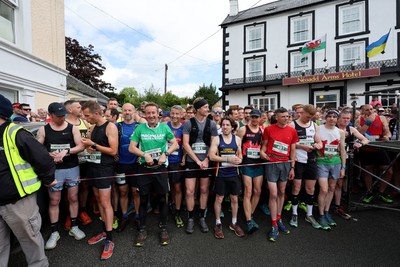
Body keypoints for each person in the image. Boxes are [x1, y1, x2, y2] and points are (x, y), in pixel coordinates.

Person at [0, 94, 57, 267]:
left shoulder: (16, 133)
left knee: (30, 240)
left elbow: (43, 159)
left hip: (18, 201)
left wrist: (48, 180)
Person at [36, 102, 86, 250]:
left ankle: (74, 226)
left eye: (63, 115)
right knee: (54, 200)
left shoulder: (73, 128)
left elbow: (81, 146)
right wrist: (48, 155)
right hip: (54, 170)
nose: (62, 118)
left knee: (73, 197)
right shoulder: (43, 129)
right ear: (50, 115)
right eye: (58, 116)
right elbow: (37, 150)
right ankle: (54, 232)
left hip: (72, 167)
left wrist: (67, 151)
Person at [129, 102, 178, 246]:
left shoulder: (164, 127)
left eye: (153, 113)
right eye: (148, 113)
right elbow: (132, 148)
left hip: (160, 169)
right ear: (144, 114)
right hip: (144, 169)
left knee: (163, 199)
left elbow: (175, 143)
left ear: (158, 114)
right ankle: (142, 229)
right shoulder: (140, 128)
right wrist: (144, 154)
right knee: (143, 200)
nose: (151, 116)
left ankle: (163, 228)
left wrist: (166, 154)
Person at [81, 101, 118, 261]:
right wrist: (89, 148)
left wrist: (93, 144)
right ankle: (104, 231)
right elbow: (91, 147)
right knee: (98, 199)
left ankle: (110, 239)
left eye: (87, 115)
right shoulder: (92, 128)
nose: (85, 118)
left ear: (97, 113)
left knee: (105, 202)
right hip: (93, 166)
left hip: (104, 168)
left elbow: (113, 150)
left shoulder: (110, 127)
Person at [260, 107, 297, 242]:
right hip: (272, 163)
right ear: (276, 117)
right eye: (283, 116)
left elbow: (292, 150)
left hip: (285, 164)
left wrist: (292, 167)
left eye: (287, 116)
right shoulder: (269, 129)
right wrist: (262, 153)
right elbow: (264, 146)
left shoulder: (292, 131)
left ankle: (279, 218)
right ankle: (274, 223)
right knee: (273, 194)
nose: (286, 118)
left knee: (282, 192)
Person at [182, 98, 218, 234]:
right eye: (205, 107)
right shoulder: (188, 123)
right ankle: (191, 218)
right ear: (198, 109)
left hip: (206, 161)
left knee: (204, 190)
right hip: (193, 161)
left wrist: (207, 159)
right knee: (190, 191)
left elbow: (214, 143)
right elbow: (185, 144)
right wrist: (197, 161)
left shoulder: (212, 123)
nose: (207, 109)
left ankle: (202, 217)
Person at [209, 117, 245, 239]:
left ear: (232, 127)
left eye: (227, 125)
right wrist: (227, 159)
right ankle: (218, 223)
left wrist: (239, 160)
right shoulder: (216, 139)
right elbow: (211, 156)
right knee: (219, 198)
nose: (225, 127)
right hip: (221, 174)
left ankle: (234, 222)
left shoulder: (237, 139)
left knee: (234, 198)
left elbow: (240, 155)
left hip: (234, 174)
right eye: (223, 125)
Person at [288, 104, 323, 229]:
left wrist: (318, 145)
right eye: (307, 117)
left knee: (310, 189)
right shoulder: (292, 125)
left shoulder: (314, 125)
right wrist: (301, 146)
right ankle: (294, 213)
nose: (309, 119)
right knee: (296, 188)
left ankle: (309, 214)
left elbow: (318, 141)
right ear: (301, 113)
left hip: (311, 160)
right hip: (298, 160)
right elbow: (290, 143)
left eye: (311, 117)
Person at [356, 104, 393, 203]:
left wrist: (387, 136)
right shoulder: (359, 119)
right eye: (367, 110)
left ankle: (381, 192)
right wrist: (368, 122)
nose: (370, 111)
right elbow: (359, 133)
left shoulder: (381, 118)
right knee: (368, 170)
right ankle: (369, 192)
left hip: (379, 148)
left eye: (371, 109)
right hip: (366, 149)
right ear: (363, 111)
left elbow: (387, 131)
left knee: (388, 171)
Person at [335, 110, 369, 219]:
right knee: (335, 182)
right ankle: (334, 203)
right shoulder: (333, 127)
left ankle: (340, 202)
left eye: (348, 118)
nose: (346, 120)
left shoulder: (351, 129)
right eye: (344, 118)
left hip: (346, 158)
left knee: (343, 180)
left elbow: (365, 139)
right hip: (333, 158)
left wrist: (360, 143)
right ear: (338, 118)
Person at [316, 110, 346, 230]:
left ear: (337, 119)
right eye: (329, 116)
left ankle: (327, 212)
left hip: (336, 162)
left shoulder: (340, 132)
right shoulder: (318, 128)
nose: (332, 119)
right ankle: (321, 215)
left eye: (334, 117)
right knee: (323, 189)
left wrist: (343, 167)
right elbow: (315, 143)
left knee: (332, 188)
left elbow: (342, 150)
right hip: (321, 162)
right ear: (325, 117)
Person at [64, 100, 92, 228]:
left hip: (85, 159)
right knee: (69, 189)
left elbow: (89, 139)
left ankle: (82, 210)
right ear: (70, 110)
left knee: (84, 185)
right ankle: (69, 214)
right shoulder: (64, 123)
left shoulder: (84, 122)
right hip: (70, 160)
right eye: (78, 107)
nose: (81, 108)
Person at [236, 109, 264, 233]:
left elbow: (264, 145)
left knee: (257, 191)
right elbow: (236, 145)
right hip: (246, 163)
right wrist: (238, 159)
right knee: (248, 191)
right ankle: (248, 220)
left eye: (256, 117)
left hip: (258, 164)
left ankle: (250, 214)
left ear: (260, 118)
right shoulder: (243, 129)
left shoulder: (262, 131)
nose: (254, 119)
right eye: (252, 117)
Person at [115, 103, 140, 232]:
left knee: (136, 192)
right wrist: (114, 154)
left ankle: (137, 216)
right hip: (121, 165)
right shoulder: (116, 126)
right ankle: (124, 216)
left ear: (134, 112)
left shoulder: (140, 126)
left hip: (136, 165)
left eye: (130, 110)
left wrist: (142, 155)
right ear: (122, 112)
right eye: (125, 110)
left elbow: (146, 142)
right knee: (123, 192)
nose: (127, 112)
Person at [166, 105, 185, 228]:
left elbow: (186, 144)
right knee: (166, 188)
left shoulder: (184, 128)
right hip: (164, 160)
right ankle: (168, 208)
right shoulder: (164, 126)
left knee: (177, 187)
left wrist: (184, 157)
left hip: (177, 161)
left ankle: (177, 212)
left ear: (181, 115)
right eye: (173, 113)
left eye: (177, 114)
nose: (174, 116)